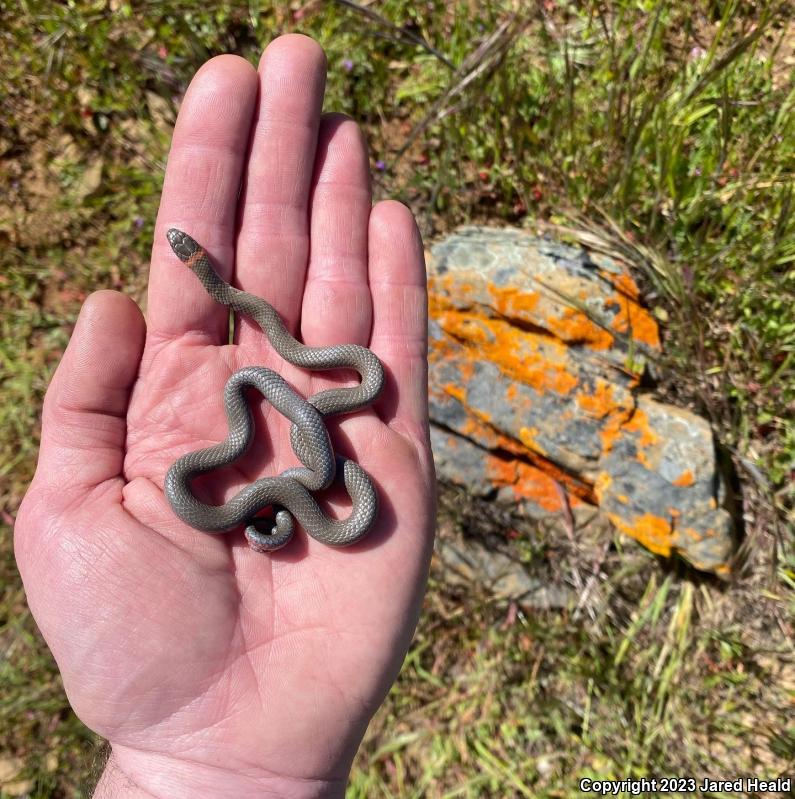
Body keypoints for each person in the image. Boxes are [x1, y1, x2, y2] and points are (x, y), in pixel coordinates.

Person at [15, 34, 435, 798]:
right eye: (188, 252)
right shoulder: (263, 441)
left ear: (204, 270)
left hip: (305, 458)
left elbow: (320, 417)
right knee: (285, 427)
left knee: (313, 416)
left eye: (187, 254)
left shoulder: (303, 431)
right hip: (295, 464)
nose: (183, 251)